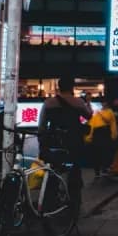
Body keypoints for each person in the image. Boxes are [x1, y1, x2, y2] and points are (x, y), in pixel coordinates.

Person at [38, 75, 93, 206]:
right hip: (74, 141)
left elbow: (42, 125)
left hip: (54, 141)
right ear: (72, 87)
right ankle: (74, 201)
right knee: (74, 170)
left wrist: (42, 142)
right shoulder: (78, 102)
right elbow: (89, 115)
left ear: (59, 87)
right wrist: (88, 102)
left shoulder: (49, 103)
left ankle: (51, 200)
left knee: (53, 169)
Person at [86, 99, 118, 177]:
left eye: (104, 102)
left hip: (104, 133)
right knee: (96, 152)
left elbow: (108, 120)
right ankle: (97, 171)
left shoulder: (109, 111)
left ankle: (104, 168)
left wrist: (100, 114)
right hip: (97, 133)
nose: (103, 103)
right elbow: (92, 122)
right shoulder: (98, 112)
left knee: (104, 151)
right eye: (102, 102)